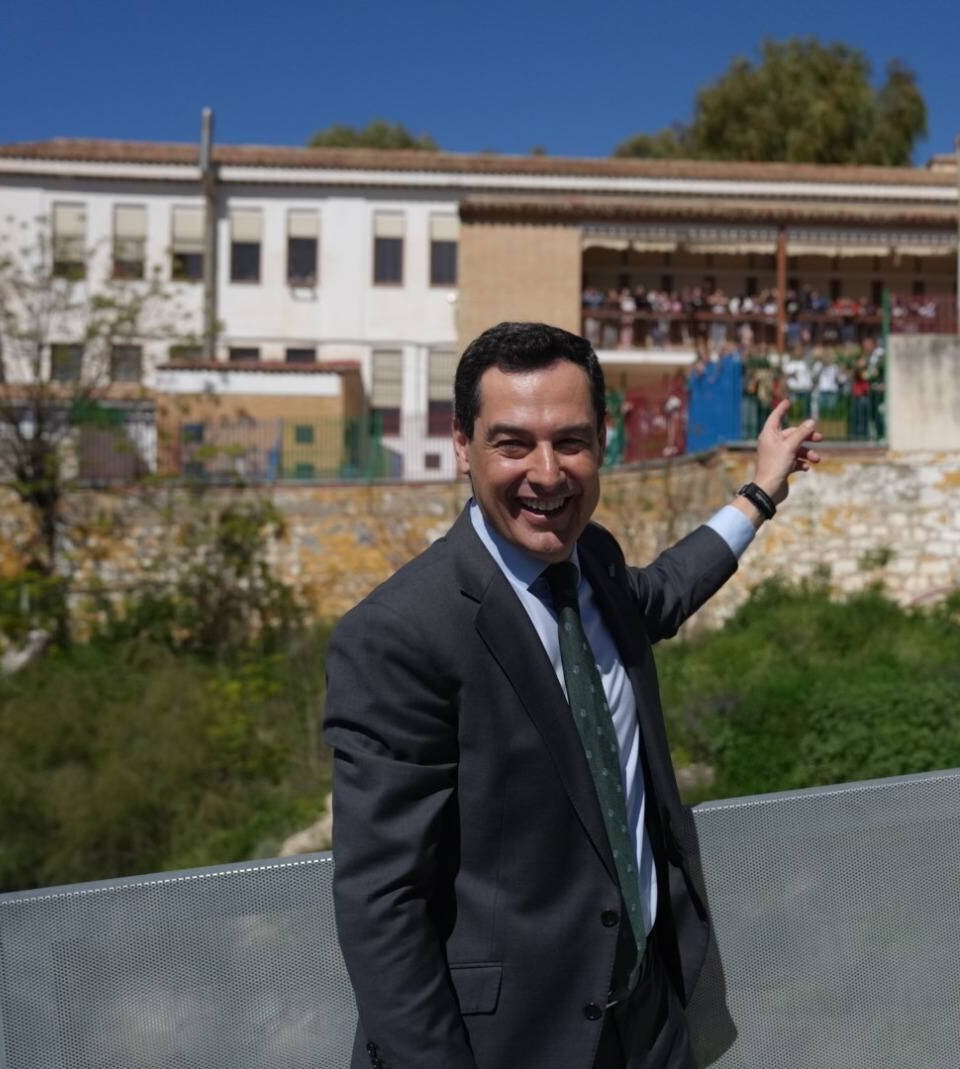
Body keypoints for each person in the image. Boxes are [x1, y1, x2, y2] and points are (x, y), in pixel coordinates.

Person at [323, 322, 821, 1069]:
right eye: (513, 442)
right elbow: (383, 906)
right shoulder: (401, 635)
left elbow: (664, 593)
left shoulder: (595, 557)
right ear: (463, 445)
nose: (547, 473)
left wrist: (759, 493)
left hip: (651, 1018)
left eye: (572, 441)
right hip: (512, 1043)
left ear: (604, 443)